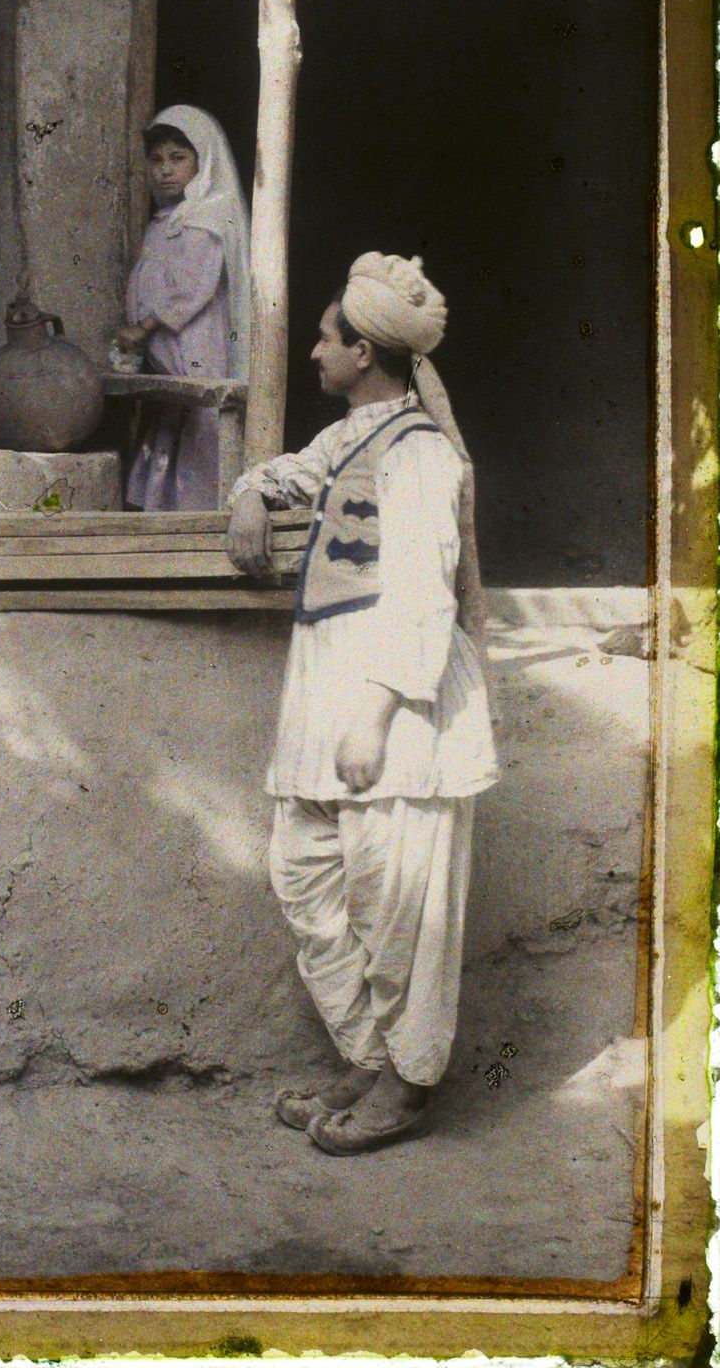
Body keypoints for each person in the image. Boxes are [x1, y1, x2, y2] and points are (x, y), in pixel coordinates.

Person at [226, 252, 497, 1155]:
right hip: (323, 697)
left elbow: (424, 594)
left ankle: (406, 1083)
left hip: (396, 709)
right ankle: (367, 1054)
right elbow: (288, 472)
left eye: (323, 339)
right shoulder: (349, 437)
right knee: (306, 879)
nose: (312, 352)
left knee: (396, 909)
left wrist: (374, 717)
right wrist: (248, 495)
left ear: (364, 354)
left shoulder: (420, 455)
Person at [116, 104, 251, 512]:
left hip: (196, 343)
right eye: (156, 160)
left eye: (178, 158)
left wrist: (144, 326)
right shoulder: (167, 218)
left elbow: (194, 286)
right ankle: (161, 509)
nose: (165, 170)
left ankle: (199, 511)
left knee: (198, 423)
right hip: (168, 348)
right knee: (169, 420)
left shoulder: (208, 217)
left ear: (202, 159)